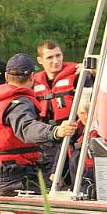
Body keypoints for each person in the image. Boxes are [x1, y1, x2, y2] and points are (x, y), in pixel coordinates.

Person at [0, 53, 77, 196]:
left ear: (6, 77)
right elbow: (27, 129)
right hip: (17, 176)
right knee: (65, 190)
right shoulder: (20, 102)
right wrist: (56, 131)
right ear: (32, 77)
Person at [32, 40, 81, 179]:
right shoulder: (33, 82)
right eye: (50, 57)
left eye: (58, 56)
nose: (56, 61)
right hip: (46, 137)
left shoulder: (78, 75)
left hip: (71, 134)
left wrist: (93, 71)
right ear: (40, 60)